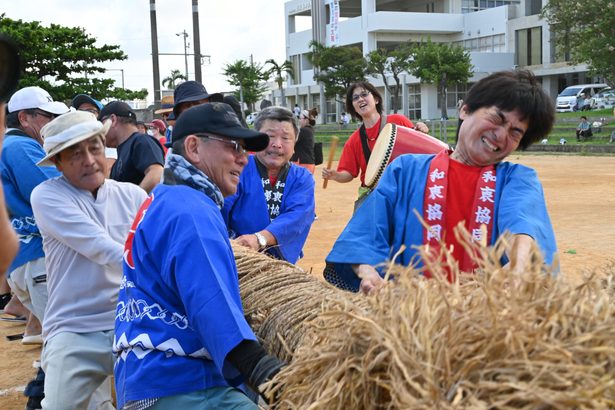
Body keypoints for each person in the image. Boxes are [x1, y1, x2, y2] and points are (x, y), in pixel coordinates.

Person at [324, 70, 557, 294]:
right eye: (497, 118)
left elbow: (523, 224)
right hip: (409, 316)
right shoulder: (405, 170)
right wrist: (367, 273)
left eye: (516, 132)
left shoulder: (517, 179)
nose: (501, 135)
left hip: (488, 320)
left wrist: (519, 264)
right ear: (465, 110)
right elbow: (365, 231)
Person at [114, 102, 284, 409]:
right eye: (233, 146)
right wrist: (266, 371)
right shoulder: (191, 210)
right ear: (193, 147)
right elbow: (209, 302)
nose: (244, 159)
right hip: (180, 380)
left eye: (245, 149)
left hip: (148, 376)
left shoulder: (165, 197)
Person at [31, 110, 147, 409]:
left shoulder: (132, 195)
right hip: (74, 326)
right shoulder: (47, 196)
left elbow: (160, 241)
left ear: (104, 147)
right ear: (57, 163)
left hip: (131, 321)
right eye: (74, 154)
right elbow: (103, 249)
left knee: (165, 397)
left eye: (94, 148)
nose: (89, 160)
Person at [1, 86, 69, 343]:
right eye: (46, 115)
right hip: (36, 257)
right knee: (67, 340)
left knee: (59, 339)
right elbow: (59, 192)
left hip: (25, 257)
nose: (52, 122)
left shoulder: (10, 144)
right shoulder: (21, 146)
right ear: (24, 118)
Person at [223, 107, 315, 264]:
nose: (277, 144)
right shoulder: (238, 169)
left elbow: (298, 216)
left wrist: (259, 239)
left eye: (286, 138)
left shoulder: (302, 178)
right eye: (270, 136)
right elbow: (220, 210)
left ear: (295, 144)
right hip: (235, 256)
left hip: (280, 265)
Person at [321, 82, 429, 199]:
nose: (360, 99)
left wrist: (422, 130)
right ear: (354, 108)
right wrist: (335, 175)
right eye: (355, 98)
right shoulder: (354, 140)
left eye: (364, 94)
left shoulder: (398, 122)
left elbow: (420, 149)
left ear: (376, 99)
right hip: (375, 196)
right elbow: (348, 173)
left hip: (404, 191)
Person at [99, 101, 165, 193]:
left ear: (113, 120)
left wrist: (134, 203)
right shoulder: (123, 150)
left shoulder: (141, 141)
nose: (100, 131)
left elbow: (157, 174)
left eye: (102, 124)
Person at [290, 109, 316, 174]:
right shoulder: (309, 130)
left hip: (302, 163)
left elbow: (291, 141)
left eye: (300, 118)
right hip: (307, 163)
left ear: (306, 120)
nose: (299, 120)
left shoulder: (303, 131)